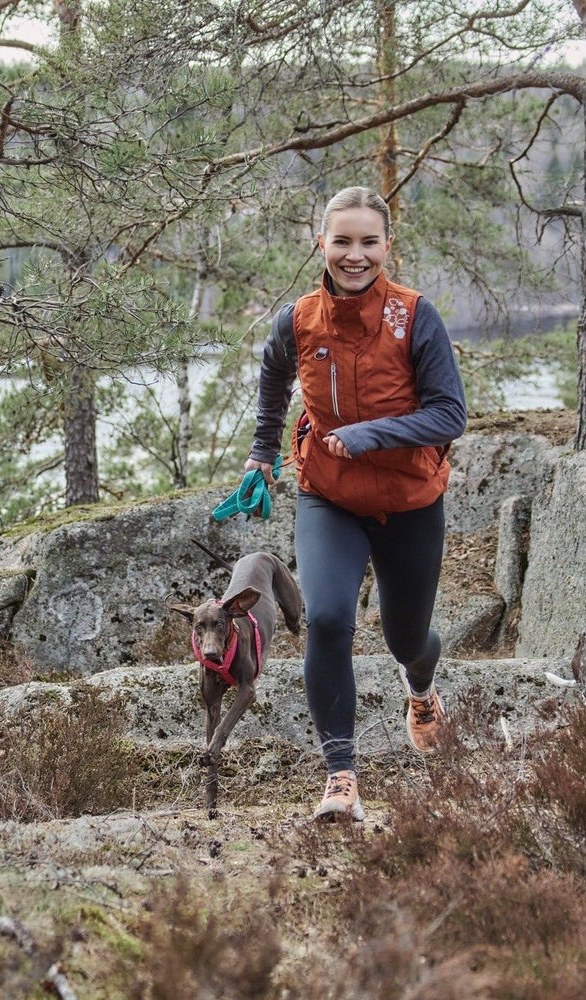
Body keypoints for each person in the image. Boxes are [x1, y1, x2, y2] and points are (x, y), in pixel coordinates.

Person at [244, 186, 467, 822]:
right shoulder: (299, 319)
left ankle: (421, 688)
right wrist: (262, 452)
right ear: (322, 243)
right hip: (328, 497)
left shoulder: (414, 316)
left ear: (386, 247)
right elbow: (273, 377)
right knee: (330, 618)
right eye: (342, 240)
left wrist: (366, 435)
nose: (354, 254)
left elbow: (450, 413)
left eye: (368, 241)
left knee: (405, 638)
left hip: (409, 500)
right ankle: (341, 776)